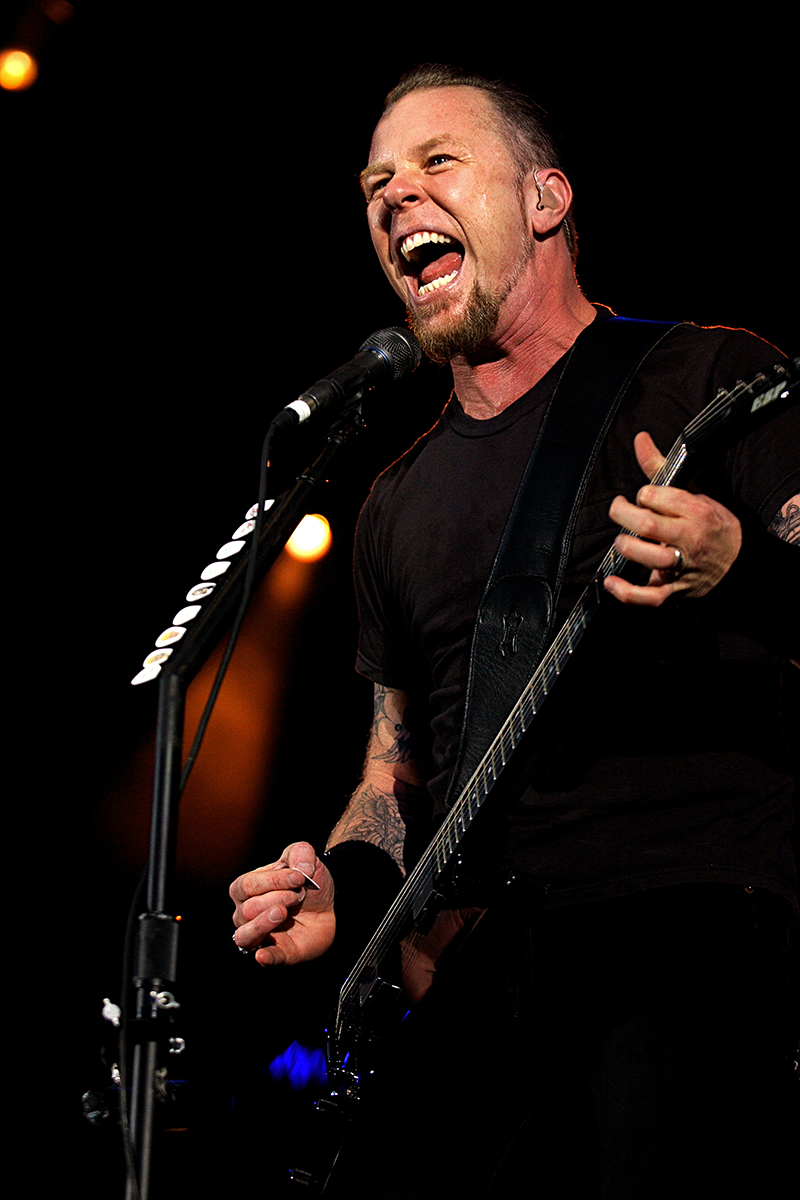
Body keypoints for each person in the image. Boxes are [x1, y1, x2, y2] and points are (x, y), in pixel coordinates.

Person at [230, 66, 799, 1197]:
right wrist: (341, 886)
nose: (398, 198)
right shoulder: (393, 503)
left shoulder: (705, 375)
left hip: (689, 918)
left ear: (543, 200)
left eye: (438, 164)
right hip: (486, 969)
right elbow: (394, 778)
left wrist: (738, 569)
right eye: (375, 186)